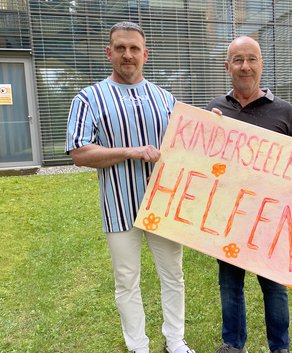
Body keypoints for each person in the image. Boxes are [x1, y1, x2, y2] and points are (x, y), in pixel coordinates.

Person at [65, 21, 195, 353]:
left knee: (173, 277)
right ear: (108, 53)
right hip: (119, 205)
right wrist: (129, 151)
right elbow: (80, 153)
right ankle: (138, 345)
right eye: (120, 48)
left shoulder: (165, 98)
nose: (128, 55)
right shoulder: (89, 98)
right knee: (127, 281)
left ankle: (176, 341)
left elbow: (186, 145)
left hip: (163, 207)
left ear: (145, 54)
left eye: (134, 48)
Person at [206, 36, 292, 353]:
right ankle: (233, 344)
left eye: (252, 59)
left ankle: (280, 347)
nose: (245, 66)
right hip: (230, 217)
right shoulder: (214, 112)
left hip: (272, 220)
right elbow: (203, 164)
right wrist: (210, 134)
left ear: (261, 64)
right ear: (227, 66)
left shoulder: (286, 113)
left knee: (274, 287)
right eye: (238, 59)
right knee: (229, 286)